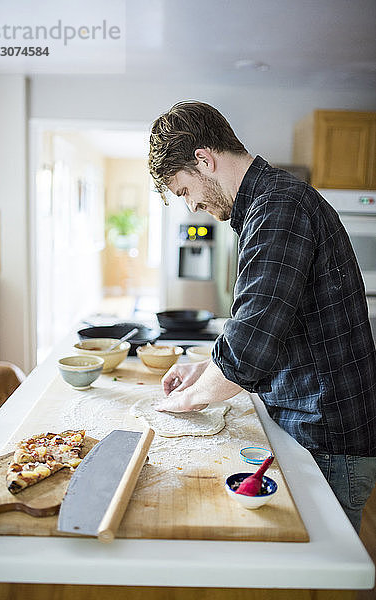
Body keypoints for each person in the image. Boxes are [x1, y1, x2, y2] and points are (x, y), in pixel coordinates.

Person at [148, 100, 376, 533]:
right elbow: (269, 323)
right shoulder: (271, 204)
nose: (191, 206)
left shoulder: (278, 208)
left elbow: (249, 348)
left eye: (183, 191)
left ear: (204, 160)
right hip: (316, 428)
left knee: (320, 579)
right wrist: (204, 370)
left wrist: (181, 403)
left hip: (328, 441)